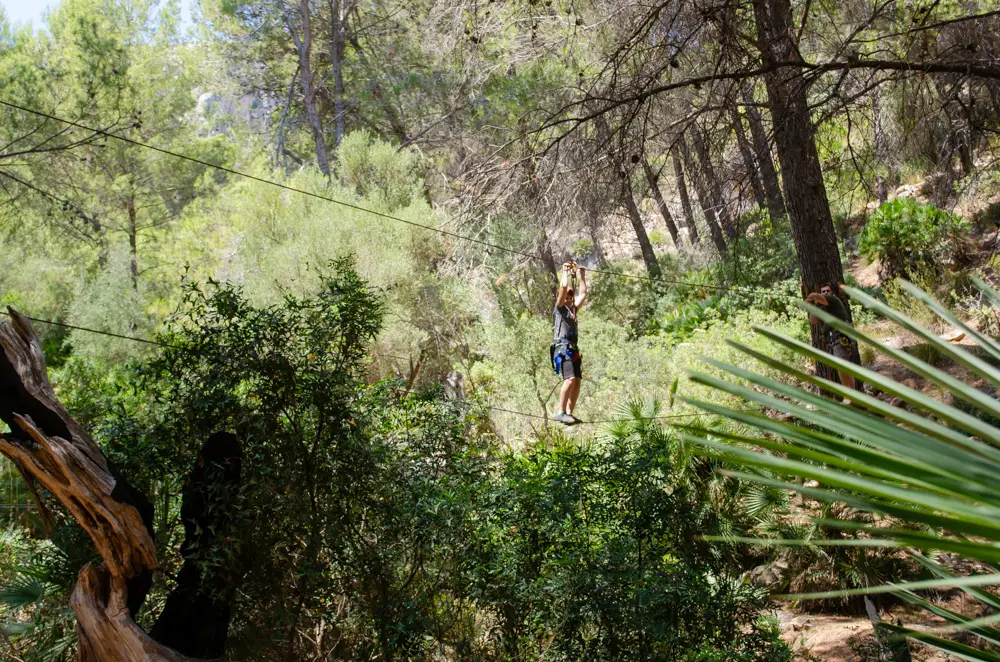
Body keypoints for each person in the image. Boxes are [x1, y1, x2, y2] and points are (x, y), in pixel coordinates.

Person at [551, 262, 587, 425]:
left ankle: (569, 414)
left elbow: (583, 294)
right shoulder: (559, 309)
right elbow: (564, 287)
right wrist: (565, 271)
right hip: (563, 348)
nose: (568, 298)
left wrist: (582, 276)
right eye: (566, 296)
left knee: (577, 380)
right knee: (570, 379)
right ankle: (561, 412)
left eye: (570, 297)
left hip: (573, 349)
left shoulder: (573, 310)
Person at [806, 282, 857, 394]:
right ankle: (853, 394)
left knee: (841, 365)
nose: (825, 293)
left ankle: (850, 394)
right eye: (823, 291)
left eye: (827, 291)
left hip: (840, 337)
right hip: (834, 341)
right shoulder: (822, 309)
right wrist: (811, 305)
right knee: (844, 366)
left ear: (831, 293)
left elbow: (814, 295)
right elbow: (813, 320)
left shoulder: (834, 300)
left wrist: (810, 297)